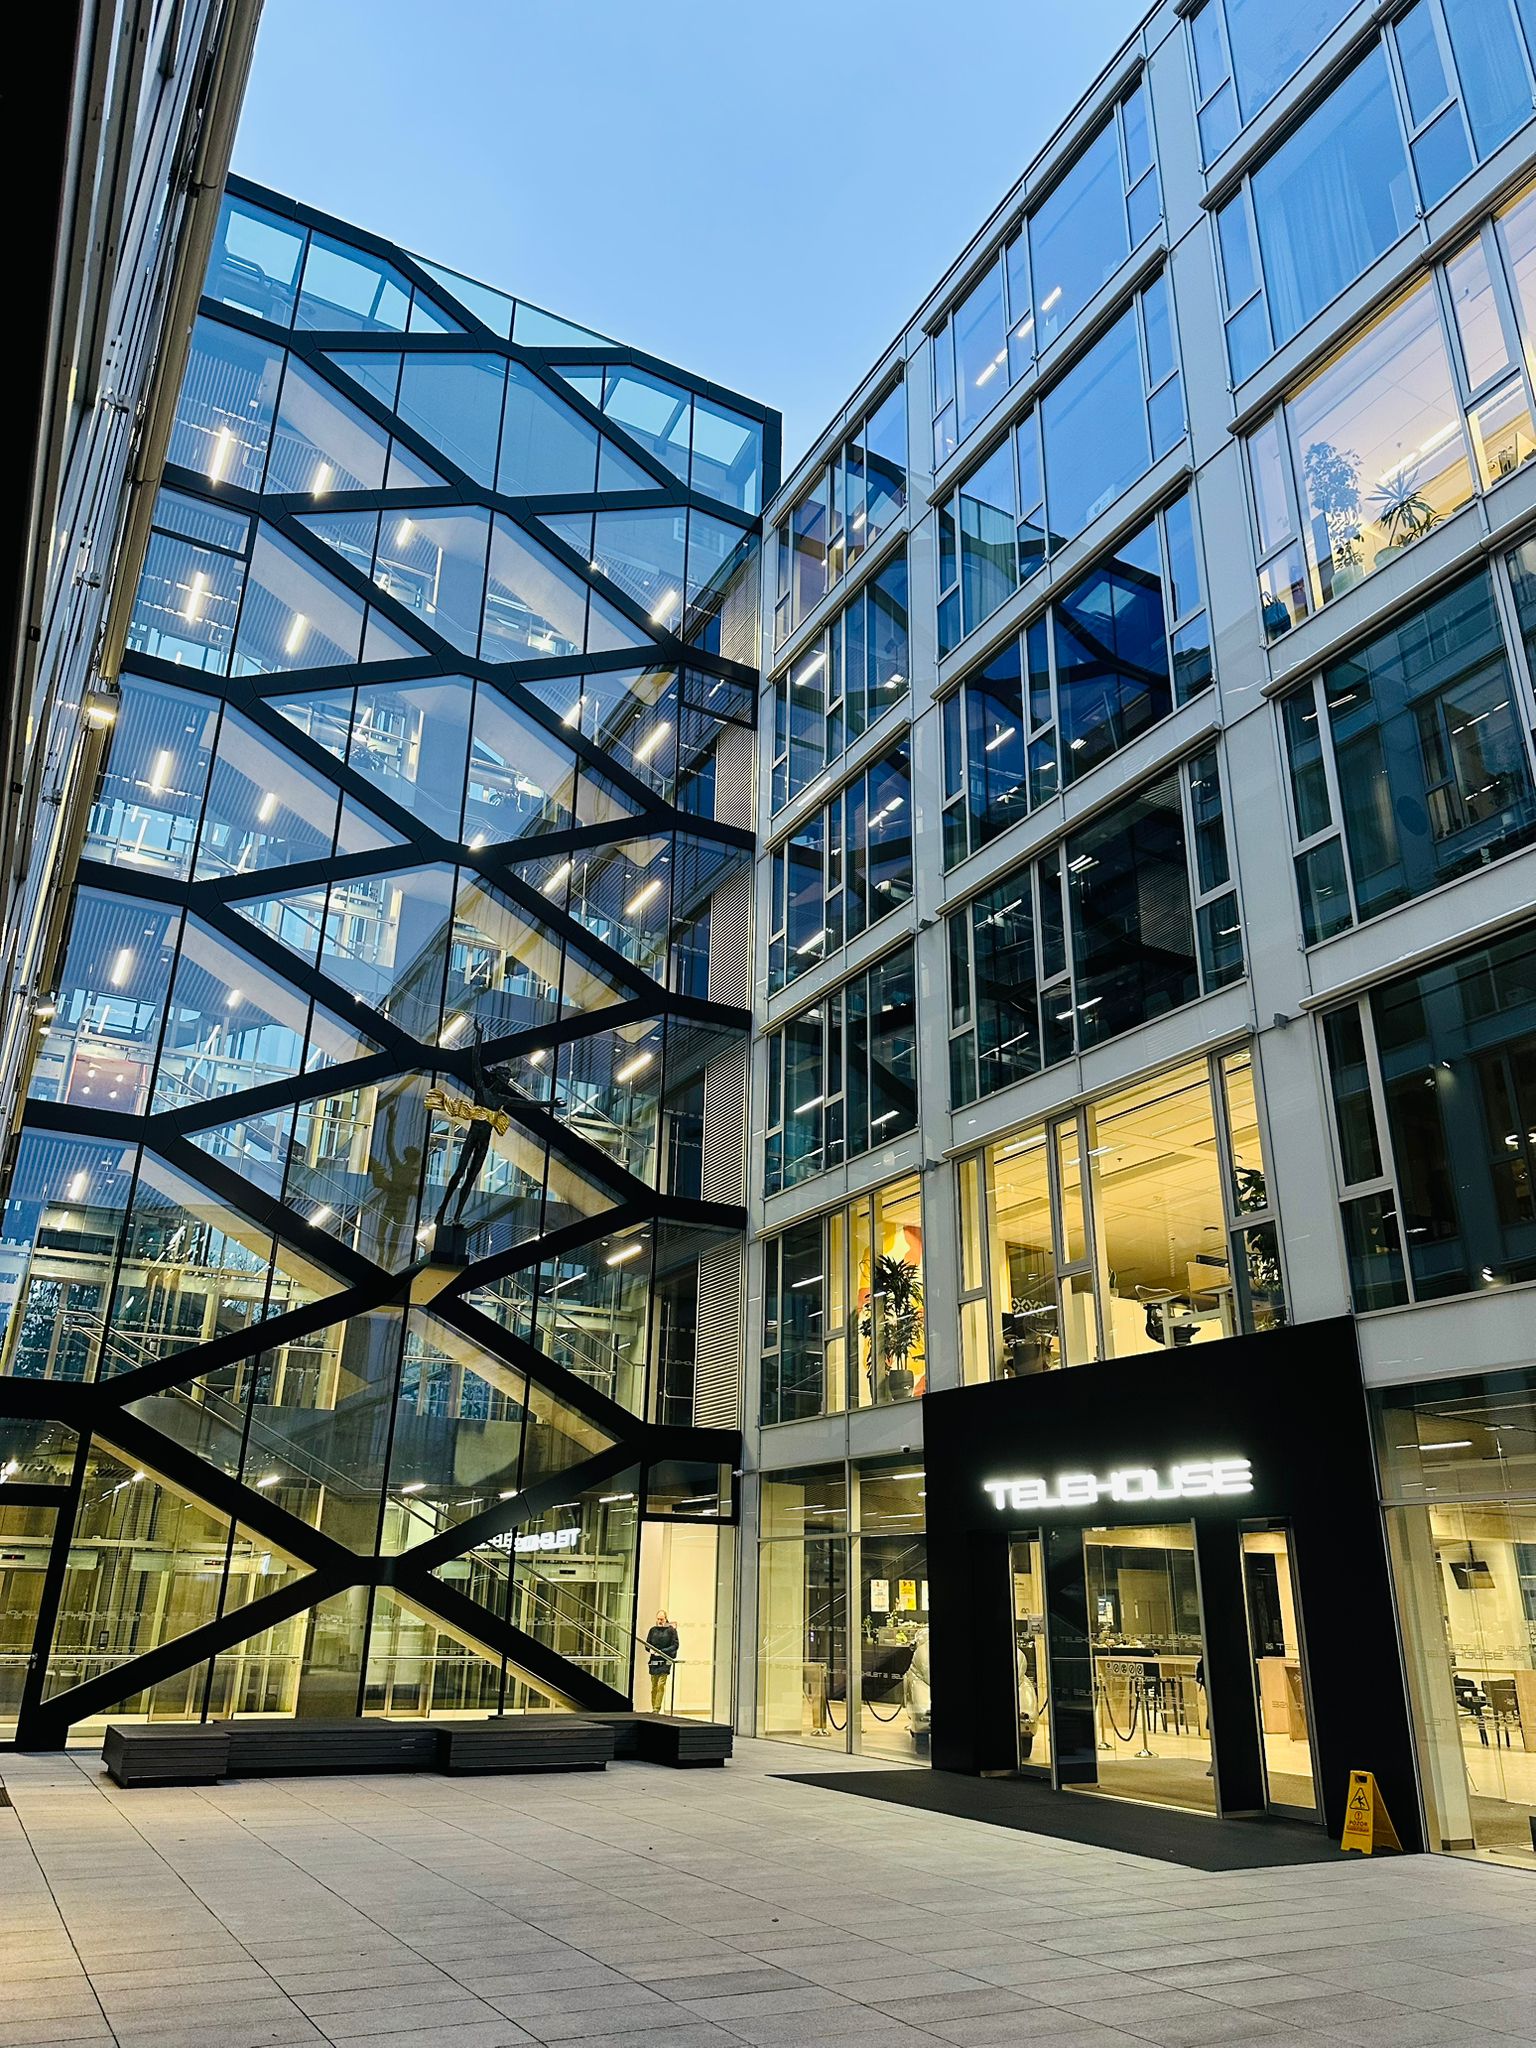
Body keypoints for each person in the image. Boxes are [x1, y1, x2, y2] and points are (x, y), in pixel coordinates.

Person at [644, 1611, 679, 1713]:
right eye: (658, 1619)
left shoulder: (671, 1630)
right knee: (654, 1686)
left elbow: (675, 1645)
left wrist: (662, 1652)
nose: (659, 1621)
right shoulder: (653, 1630)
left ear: (665, 1619)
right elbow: (647, 1644)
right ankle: (654, 1707)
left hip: (665, 1660)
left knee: (660, 1684)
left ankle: (656, 1709)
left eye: (662, 1619)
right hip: (654, 1661)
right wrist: (650, 1650)